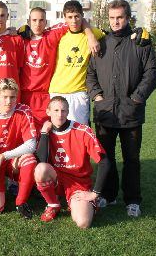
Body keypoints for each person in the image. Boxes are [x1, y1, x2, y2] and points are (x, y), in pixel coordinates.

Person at [87, 0, 156, 217]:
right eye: (112, 18)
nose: (115, 22)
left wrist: (136, 98)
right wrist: (97, 96)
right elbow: (90, 74)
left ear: (127, 18)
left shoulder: (141, 43)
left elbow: (151, 74)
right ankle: (108, 195)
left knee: (132, 159)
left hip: (131, 114)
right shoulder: (100, 43)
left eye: (119, 17)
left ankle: (133, 200)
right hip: (105, 113)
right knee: (105, 158)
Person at [34, 96, 110, 228]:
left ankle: (80, 203)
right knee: (41, 169)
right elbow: (42, 161)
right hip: (56, 179)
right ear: (48, 112)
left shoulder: (82, 131)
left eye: (63, 111)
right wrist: (45, 134)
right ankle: (53, 204)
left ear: (68, 112)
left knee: (83, 223)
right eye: (56, 110)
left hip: (78, 183)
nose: (60, 115)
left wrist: (95, 193)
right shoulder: (45, 130)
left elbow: (104, 162)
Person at [0, 78, 38, 218]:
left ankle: (21, 202)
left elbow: (31, 145)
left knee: (29, 159)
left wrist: (3, 156)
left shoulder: (24, 111)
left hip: (11, 160)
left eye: (12, 97)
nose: (8, 101)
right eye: (4, 97)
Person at [48, 0, 103, 125]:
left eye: (77, 16)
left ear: (82, 16)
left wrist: (89, 34)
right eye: (70, 17)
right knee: (57, 133)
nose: (74, 21)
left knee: (79, 132)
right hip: (57, 90)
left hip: (79, 92)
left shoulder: (94, 33)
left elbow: (115, 37)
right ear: (65, 18)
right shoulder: (59, 34)